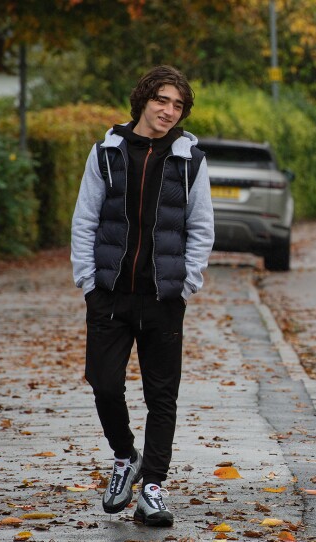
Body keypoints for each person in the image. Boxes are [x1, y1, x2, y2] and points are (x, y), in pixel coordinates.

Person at [70, 65, 214, 527]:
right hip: (110, 293)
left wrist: (186, 283)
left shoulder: (191, 159)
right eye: (162, 100)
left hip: (163, 297)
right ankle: (124, 456)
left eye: (178, 105)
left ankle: (152, 488)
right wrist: (88, 282)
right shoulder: (107, 153)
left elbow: (201, 226)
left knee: (162, 395)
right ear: (143, 100)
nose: (169, 111)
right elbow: (85, 219)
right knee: (105, 383)